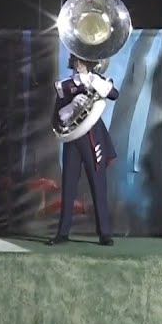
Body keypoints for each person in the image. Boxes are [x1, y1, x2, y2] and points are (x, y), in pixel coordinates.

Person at [47, 54, 118, 246]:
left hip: (93, 139)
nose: (79, 64)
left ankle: (104, 233)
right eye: (77, 60)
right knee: (68, 185)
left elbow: (114, 95)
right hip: (73, 141)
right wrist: (71, 106)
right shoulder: (64, 85)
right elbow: (57, 117)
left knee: (98, 184)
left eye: (83, 60)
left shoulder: (96, 80)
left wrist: (98, 83)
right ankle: (62, 233)